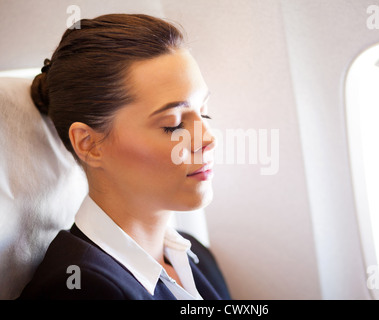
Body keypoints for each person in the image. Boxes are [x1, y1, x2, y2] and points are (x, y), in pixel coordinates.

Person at [19, 13, 230, 300]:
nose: (208, 138)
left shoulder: (196, 255)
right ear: (90, 144)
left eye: (203, 113)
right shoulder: (79, 289)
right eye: (173, 123)